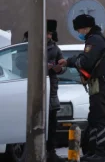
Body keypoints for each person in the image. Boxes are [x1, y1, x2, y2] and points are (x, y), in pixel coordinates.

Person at [58, 14, 105, 162]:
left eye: (79, 30)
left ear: (85, 28)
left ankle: (101, 154)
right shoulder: (96, 39)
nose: (79, 34)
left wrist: (71, 61)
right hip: (99, 83)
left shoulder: (94, 40)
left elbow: (85, 61)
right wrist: (71, 61)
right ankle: (92, 152)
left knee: (100, 118)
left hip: (101, 84)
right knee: (94, 118)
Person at [18, 20, 66, 162]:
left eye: (51, 34)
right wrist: (45, 66)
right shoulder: (27, 46)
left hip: (51, 90)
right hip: (31, 90)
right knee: (30, 121)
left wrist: (59, 68)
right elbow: (20, 63)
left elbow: (62, 66)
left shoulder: (55, 49)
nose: (49, 36)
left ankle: (50, 151)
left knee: (51, 122)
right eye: (47, 33)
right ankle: (29, 150)